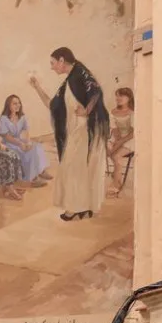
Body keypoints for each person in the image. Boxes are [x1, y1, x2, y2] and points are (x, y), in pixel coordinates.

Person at [28, 46, 109, 221]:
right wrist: (37, 88)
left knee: (75, 168)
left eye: (53, 63)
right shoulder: (68, 81)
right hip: (77, 131)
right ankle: (82, 208)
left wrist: (87, 110)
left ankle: (75, 208)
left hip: (86, 130)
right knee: (76, 169)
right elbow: (52, 105)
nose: (52, 67)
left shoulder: (80, 72)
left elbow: (96, 92)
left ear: (62, 60)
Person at [0, 95, 51, 186]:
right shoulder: (4, 118)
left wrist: (28, 142)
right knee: (24, 152)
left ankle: (41, 170)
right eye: (15, 103)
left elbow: (26, 131)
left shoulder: (22, 117)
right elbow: (5, 136)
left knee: (36, 146)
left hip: (19, 140)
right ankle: (33, 178)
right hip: (9, 143)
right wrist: (20, 144)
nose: (18, 105)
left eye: (19, 103)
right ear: (8, 105)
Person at [106, 87, 135, 196]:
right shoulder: (113, 112)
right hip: (117, 137)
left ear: (129, 98)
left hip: (130, 139)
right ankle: (116, 175)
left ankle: (116, 184)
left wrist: (118, 144)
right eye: (117, 95)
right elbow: (114, 130)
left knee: (116, 156)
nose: (118, 98)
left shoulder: (132, 113)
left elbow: (133, 133)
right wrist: (116, 142)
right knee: (104, 149)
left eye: (121, 96)